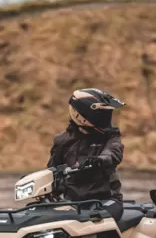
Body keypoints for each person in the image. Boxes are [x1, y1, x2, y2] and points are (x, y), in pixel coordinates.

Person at [47, 88, 126, 221]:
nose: (105, 118)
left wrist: (100, 160)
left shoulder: (110, 137)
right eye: (100, 114)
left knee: (92, 220)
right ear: (81, 115)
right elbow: (51, 172)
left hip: (107, 201)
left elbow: (113, 152)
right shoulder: (62, 141)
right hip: (73, 203)